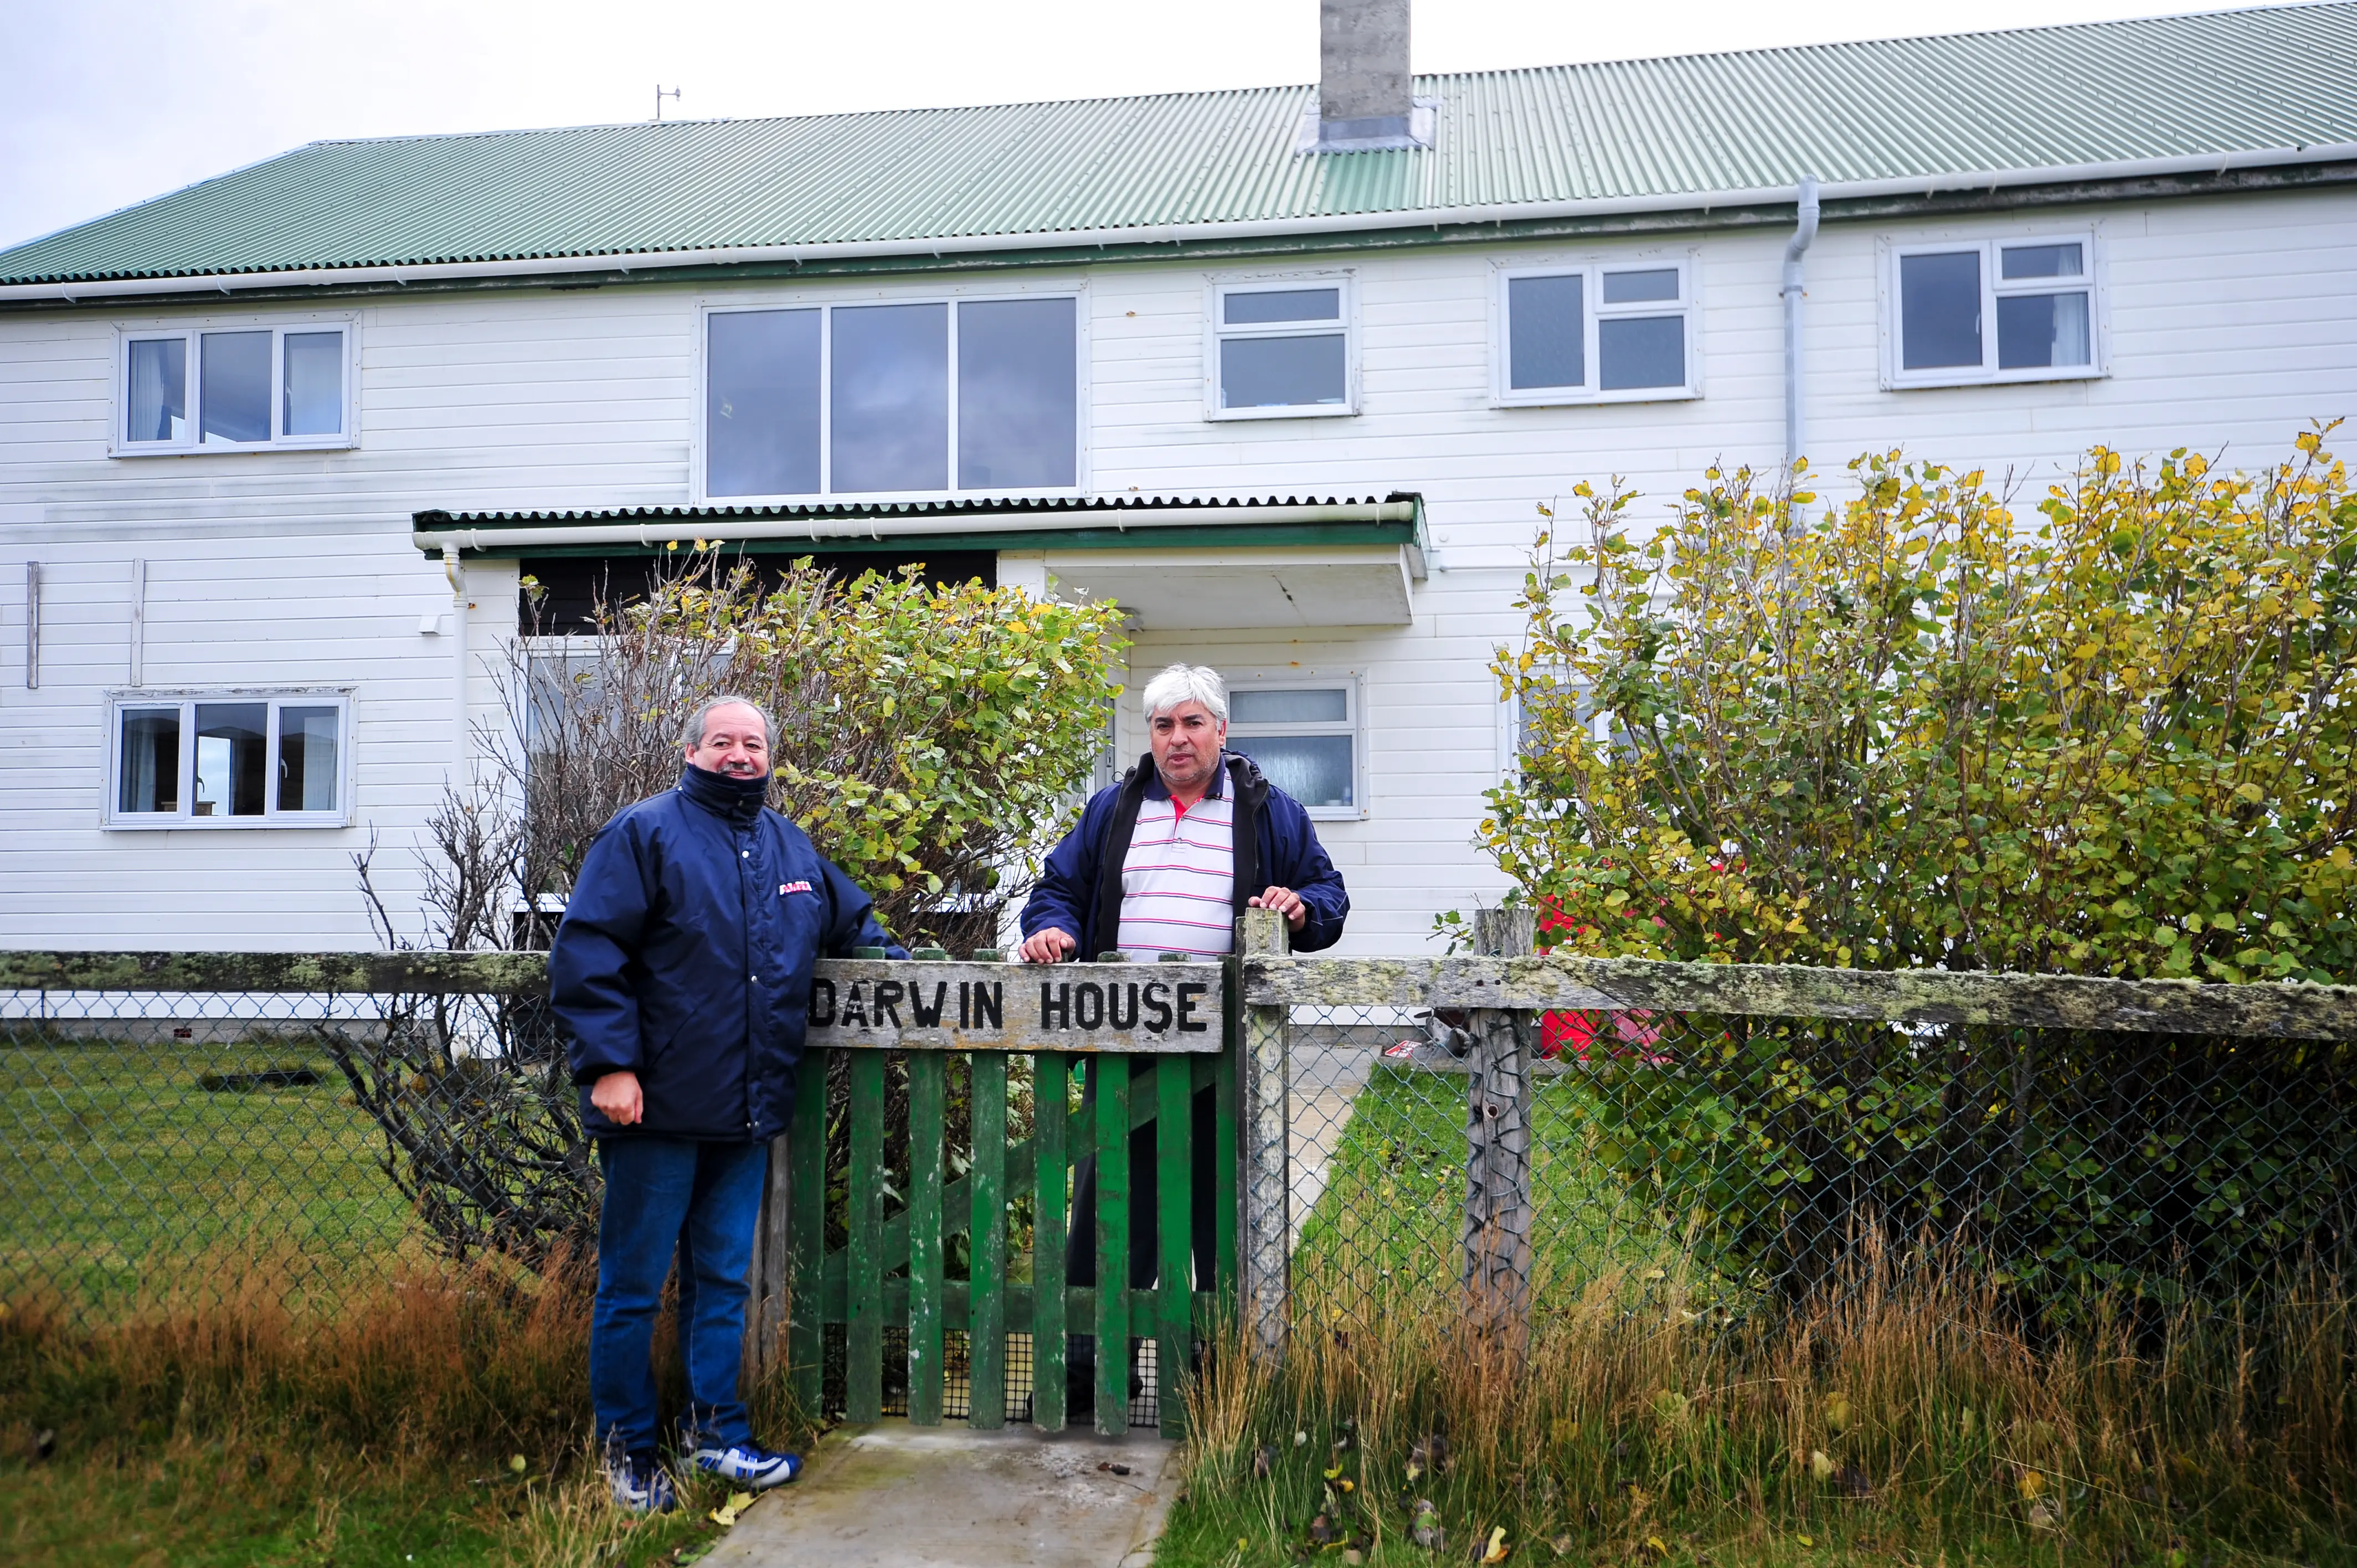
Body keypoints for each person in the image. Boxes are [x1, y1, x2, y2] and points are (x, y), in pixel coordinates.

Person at [551, 694, 905, 1513]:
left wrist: (892, 961)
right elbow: (589, 951)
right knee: (633, 1288)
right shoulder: (643, 833)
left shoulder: (789, 844)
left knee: (721, 1283)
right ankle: (626, 1451)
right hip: (654, 1110)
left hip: (748, 1112)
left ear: (769, 758)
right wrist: (610, 1066)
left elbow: (853, 923)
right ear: (689, 749)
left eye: (753, 744)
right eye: (723, 742)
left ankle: (717, 1436)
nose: (739, 755)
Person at [1018, 662, 1348, 1408]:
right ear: (1151, 736)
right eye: (1163, 726)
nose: (1177, 739)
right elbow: (1058, 890)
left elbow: (1329, 896)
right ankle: (1090, 1377)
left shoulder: (1270, 812)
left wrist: (1300, 906)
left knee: (1215, 1213)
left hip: (1225, 1053)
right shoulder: (1113, 809)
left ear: (1222, 732)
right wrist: (1051, 929)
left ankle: (1214, 1377)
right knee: (1111, 1211)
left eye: (1192, 723)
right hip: (1125, 1043)